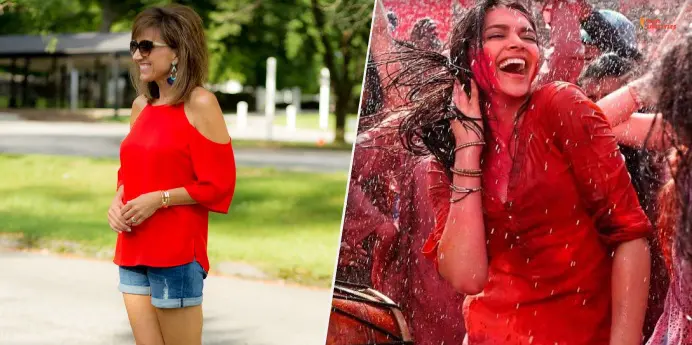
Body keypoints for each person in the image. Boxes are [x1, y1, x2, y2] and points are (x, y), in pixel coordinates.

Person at [391, 1, 652, 343]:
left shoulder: (561, 106)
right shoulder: (447, 155)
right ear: (469, 58)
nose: (517, 42)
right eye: (498, 34)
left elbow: (631, 234)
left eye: (528, 35)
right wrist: (469, 149)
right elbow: (468, 277)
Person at [107, 5, 236, 345]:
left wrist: (160, 199)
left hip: (175, 253)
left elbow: (218, 184)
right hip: (132, 248)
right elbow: (130, 170)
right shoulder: (141, 107)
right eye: (134, 46)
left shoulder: (201, 103)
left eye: (147, 47)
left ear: (177, 51)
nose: (138, 55)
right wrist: (117, 200)